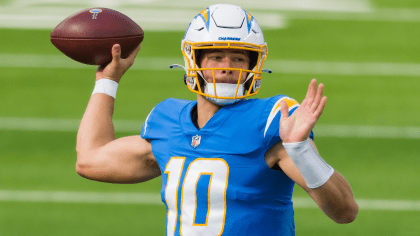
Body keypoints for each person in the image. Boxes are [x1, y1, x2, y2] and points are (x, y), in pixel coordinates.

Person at [76, 4, 358, 236]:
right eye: (216, 56)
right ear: (193, 60)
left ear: (253, 66)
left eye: (238, 59)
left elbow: (345, 211)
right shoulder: (167, 122)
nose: (227, 68)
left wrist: (300, 150)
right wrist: (107, 80)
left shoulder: (273, 121)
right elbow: (89, 160)